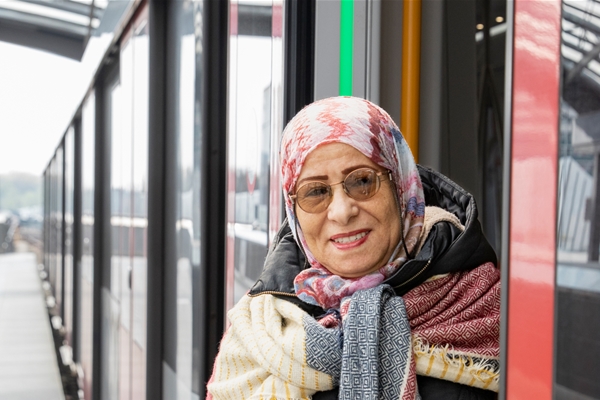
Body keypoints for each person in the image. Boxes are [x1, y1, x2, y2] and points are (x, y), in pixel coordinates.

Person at [207, 97, 500, 399]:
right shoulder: (260, 324)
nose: (342, 211)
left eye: (362, 181)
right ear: (293, 211)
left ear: (401, 186)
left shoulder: (481, 303)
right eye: (316, 192)